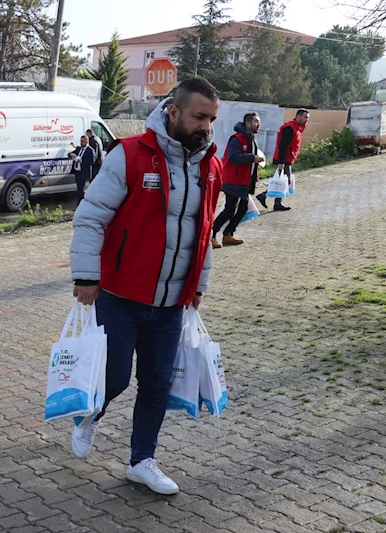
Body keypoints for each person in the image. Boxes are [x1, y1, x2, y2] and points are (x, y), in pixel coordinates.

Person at [68, 77, 222, 495]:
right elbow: (91, 216)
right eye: (199, 117)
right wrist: (86, 276)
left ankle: (142, 460)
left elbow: (202, 233)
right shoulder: (131, 155)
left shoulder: (212, 166)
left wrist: (198, 286)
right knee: (115, 378)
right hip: (120, 296)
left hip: (172, 303)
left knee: (156, 384)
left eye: (211, 119)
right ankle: (89, 414)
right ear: (173, 111)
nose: (206, 127)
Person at [212, 113, 265, 248]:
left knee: (242, 209)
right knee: (230, 210)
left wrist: (254, 174)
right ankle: (210, 236)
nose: (259, 125)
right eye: (256, 122)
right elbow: (233, 157)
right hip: (233, 180)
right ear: (247, 123)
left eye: (259, 122)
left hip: (244, 181)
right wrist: (252, 158)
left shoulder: (251, 139)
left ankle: (228, 234)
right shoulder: (236, 138)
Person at [257, 109, 310, 212]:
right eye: (305, 117)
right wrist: (281, 162)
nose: (307, 120)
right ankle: (268, 198)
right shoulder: (290, 128)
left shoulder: (297, 128)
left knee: (283, 181)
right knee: (285, 180)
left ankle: (275, 202)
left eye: (308, 118)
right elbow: (282, 145)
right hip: (283, 159)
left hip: (288, 158)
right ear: (298, 117)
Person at [68, 135, 95, 204]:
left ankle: (82, 204)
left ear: (87, 141)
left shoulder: (90, 150)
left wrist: (81, 161)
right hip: (78, 172)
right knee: (79, 189)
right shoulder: (79, 149)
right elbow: (70, 154)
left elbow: (92, 161)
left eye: (82, 141)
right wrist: (71, 155)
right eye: (80, 141)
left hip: (85, 173)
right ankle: (79, 204)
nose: (81, 143)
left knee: (83, 190)